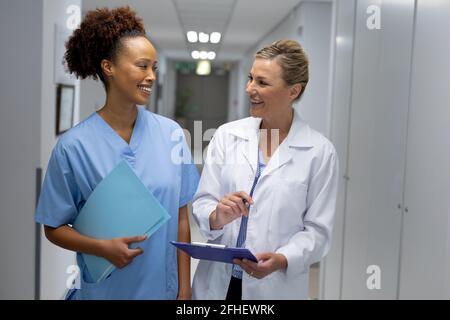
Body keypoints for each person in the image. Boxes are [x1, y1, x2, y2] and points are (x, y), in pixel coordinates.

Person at [35, 7, 199, 300]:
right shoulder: (74, 146)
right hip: (107, 289)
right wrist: (101, 248)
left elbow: (181, 217)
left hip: (164, 288)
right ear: (108, 67)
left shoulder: (172, 134)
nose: (151, 76)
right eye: (142, 66)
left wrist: (185, 289)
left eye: (154, 68)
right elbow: (54, 227)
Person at [191, 40, 338, 300]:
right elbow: (203, 201)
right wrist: (218, 215)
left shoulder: (319, 152)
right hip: (217, 283)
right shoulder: (227, 135)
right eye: (250, 79)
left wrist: (282, 259)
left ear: (293, 91)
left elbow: (317, 231)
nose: (250, 89)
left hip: (274, 287)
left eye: (262, 83)